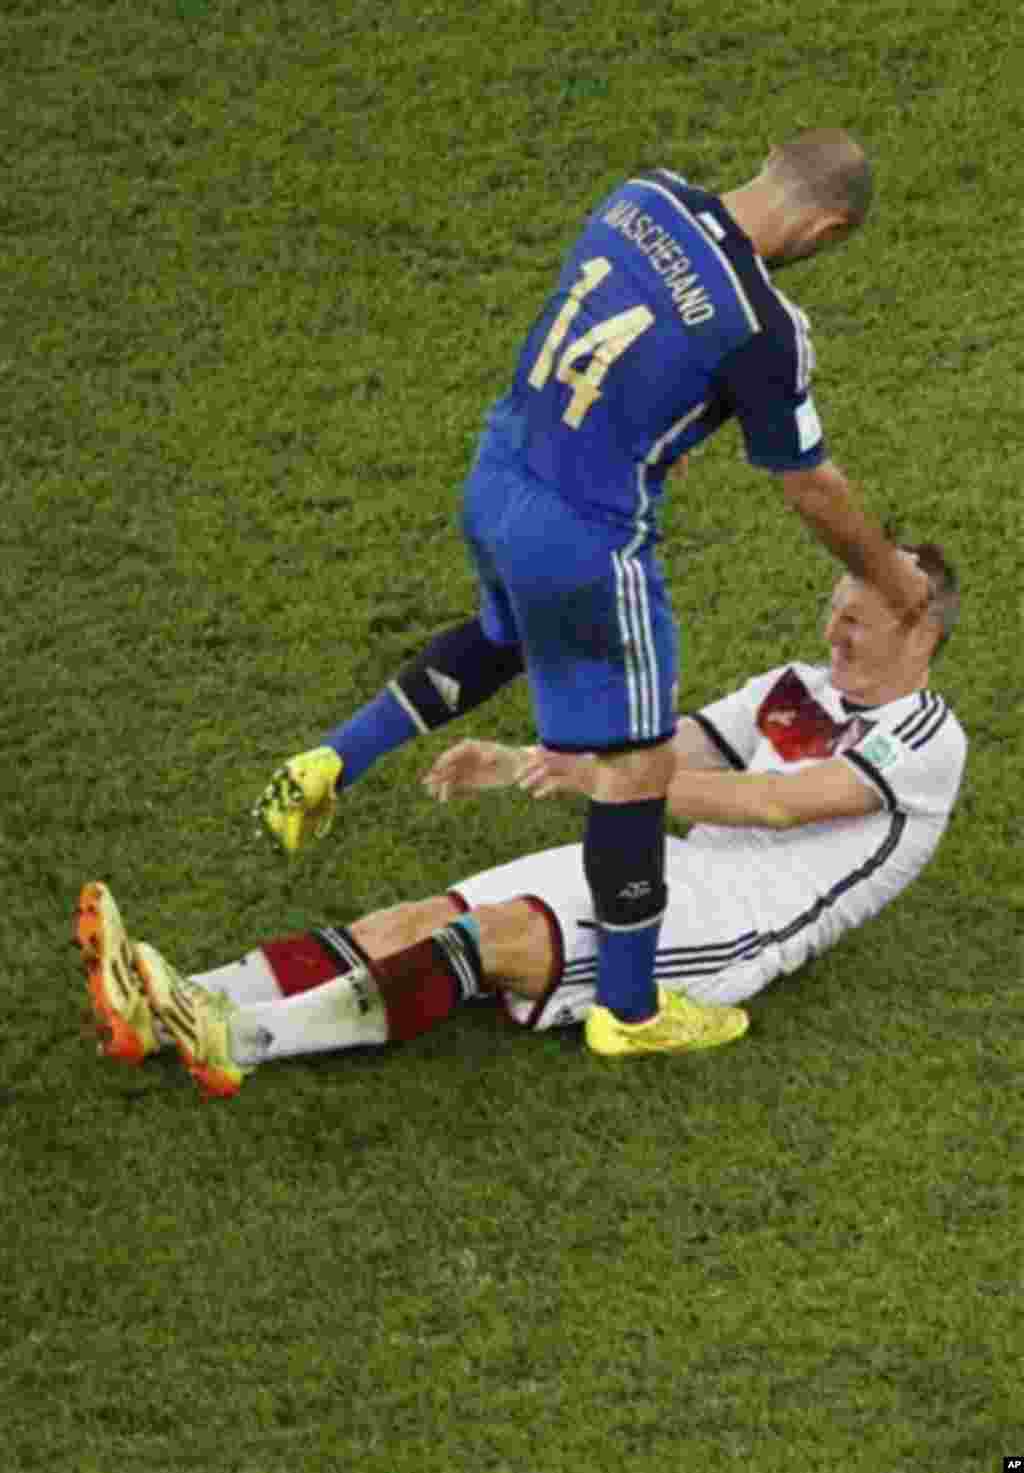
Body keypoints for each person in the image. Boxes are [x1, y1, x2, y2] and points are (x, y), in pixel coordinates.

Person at [254, 129, 930, 1056]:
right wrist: (894, 577)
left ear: (769, 157)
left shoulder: (641, 196)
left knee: (504, 635)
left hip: (501, 470)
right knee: (641, 765)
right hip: (585, 539)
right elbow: (809, 483)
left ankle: (328, 760)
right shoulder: (763, 327)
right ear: (826, 228)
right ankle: (631, 1010)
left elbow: (631, 343)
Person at [77, 547, 964, 1097]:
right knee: (417, 918)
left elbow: (770, 804)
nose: (837, 622)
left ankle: (241, 1040)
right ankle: (167, 1002)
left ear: (919, 634)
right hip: (657, 858)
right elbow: (673, 747)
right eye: (838, 601)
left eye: (861, 612)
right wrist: (516, 761)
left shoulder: (926, 738)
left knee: (495, 937)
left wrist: (597, 778)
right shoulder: (793, 686)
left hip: (736, 926)